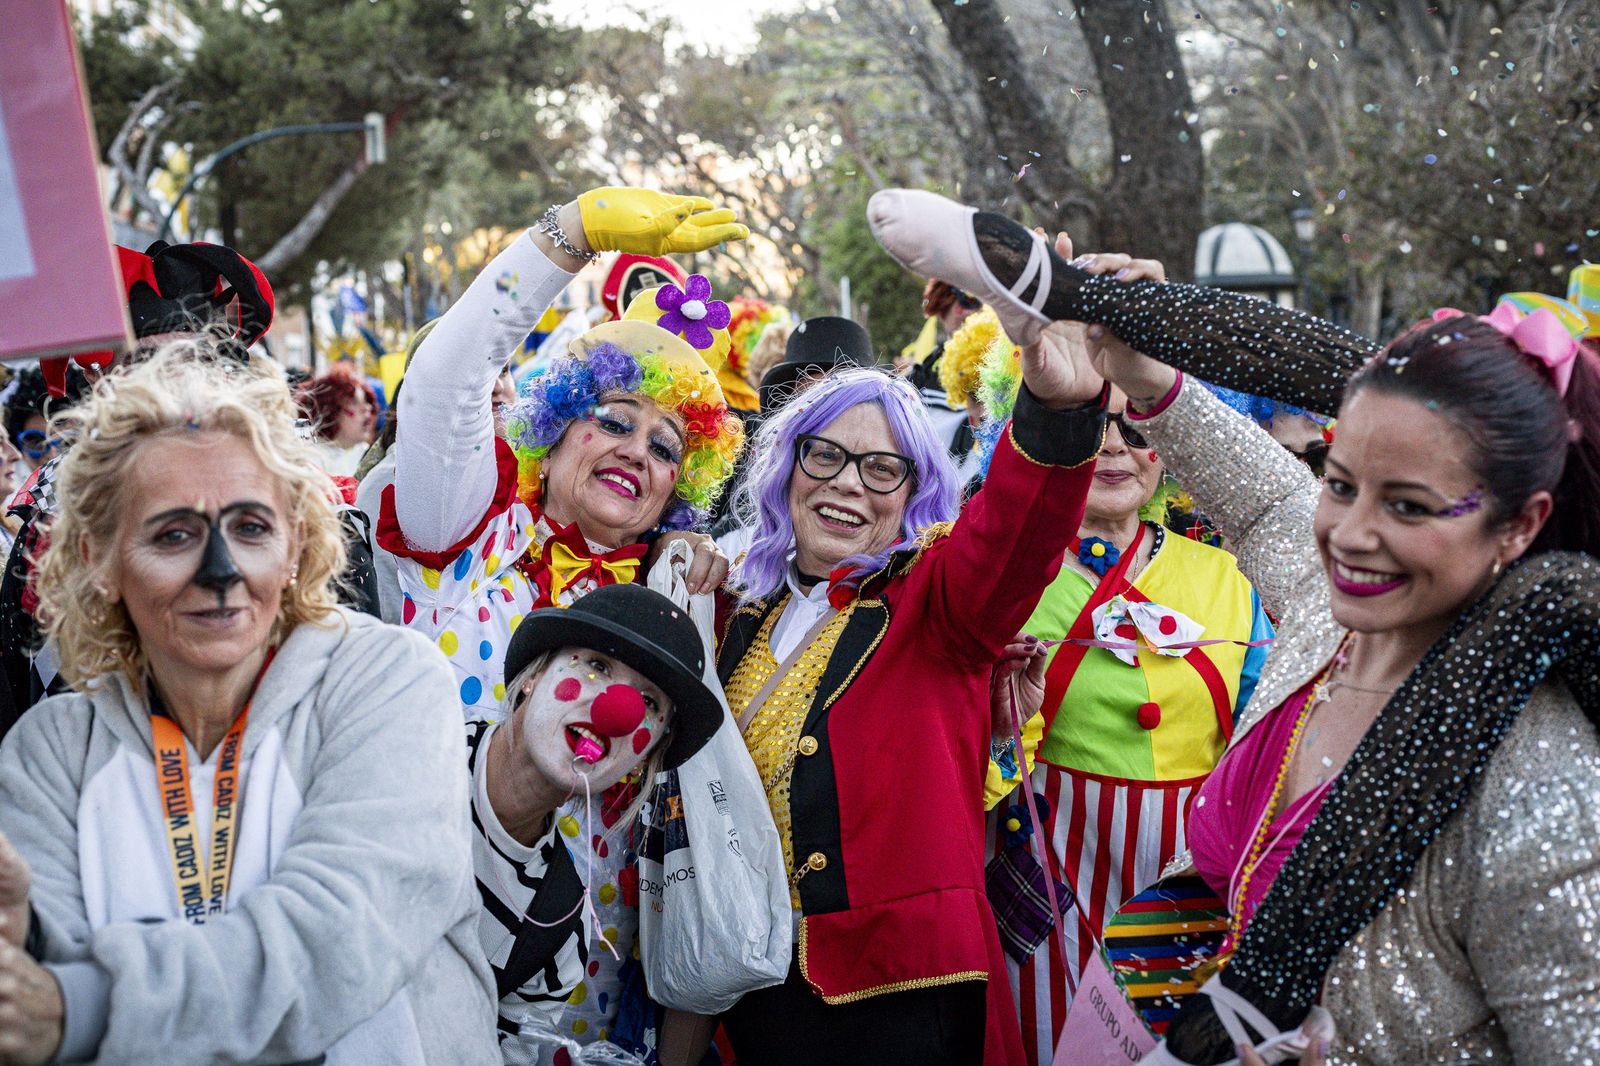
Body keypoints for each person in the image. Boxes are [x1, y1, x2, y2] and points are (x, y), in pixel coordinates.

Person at [874, 189, 1600, 1063]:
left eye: (1408, 506)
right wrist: (1131, 366)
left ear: (1522, 525)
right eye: (1340, 484)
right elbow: (1262, 501)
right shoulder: (1330, 613)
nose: (1351, 535)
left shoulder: (1548, 789)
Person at [0, 345, 497, 1065]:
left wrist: (86, 1005)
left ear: (296, 543)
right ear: (98, 560)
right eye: (174, 534)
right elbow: (34, 1004)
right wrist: (32, 951)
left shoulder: (387, 683)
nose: (221, 574)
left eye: (252, 528)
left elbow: (337, 940)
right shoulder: (51, 753)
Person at [379, 185, 747, 1056]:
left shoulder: (677, 596)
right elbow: (446, 381)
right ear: (552, 428)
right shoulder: (465, 529)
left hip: (583, 990)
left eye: (665, 447)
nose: (636, 451)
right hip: (417, 940)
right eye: (614, 420)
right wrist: (567, 235)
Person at [715, 281, 1110, 1065]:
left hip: (901, 999)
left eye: (881, 469)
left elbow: (1014, 535)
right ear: (787, 468)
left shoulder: (936, 604)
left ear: (913, 493)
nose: (847, 483)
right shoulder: (743, 611)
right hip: (747, 990)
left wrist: (1058, 409)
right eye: (824, 455)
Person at [971, 317, 1272, 1065]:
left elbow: (1264, 749)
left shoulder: (1229, 579)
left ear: (1170, 444)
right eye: (1088, 424)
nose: (1112, 447)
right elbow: (969, 763)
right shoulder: (1009, 577)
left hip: (1189, 890)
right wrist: (1003, 732)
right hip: (1049, 887)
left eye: (1134, 427)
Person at [468, 583, 723, 1060]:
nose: (617, 710)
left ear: (643, 758)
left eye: (649, 702)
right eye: (597, 666)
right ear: (534, 675)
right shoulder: (412, 748)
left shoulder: (557, 927)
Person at [298, 362, 379, 476]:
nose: (366, 408)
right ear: (329, 409)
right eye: (354, 402)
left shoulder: (366, 453)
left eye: (367, 402)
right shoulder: (311, 460)